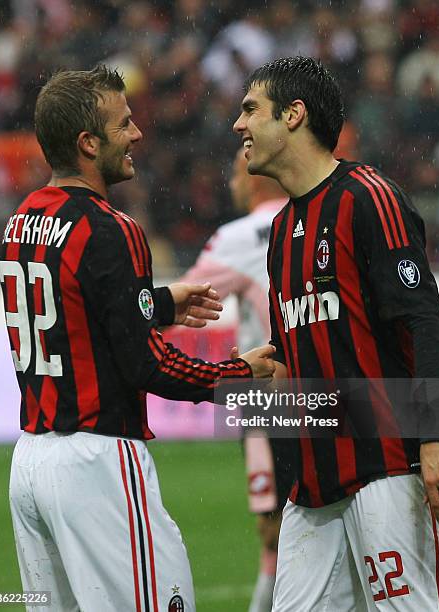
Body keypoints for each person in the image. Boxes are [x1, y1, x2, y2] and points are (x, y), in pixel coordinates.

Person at [0, 65, 276, 612]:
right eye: (123, 124)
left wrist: (162, 301)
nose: (137, 134)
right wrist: (240, 373)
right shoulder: (111, 229)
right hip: (97, 463)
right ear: (87, 142)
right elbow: (151, 367)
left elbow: (86, 314)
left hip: (29, 462)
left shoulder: (20, 219)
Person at [233, 56, 439, 611]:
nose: (239, 125)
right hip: (313, 488)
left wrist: (437, 439)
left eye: (250, 109)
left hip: (388, 467)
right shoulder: (283, 231)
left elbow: (423, 320)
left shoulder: (367, 197)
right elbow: (294, 362)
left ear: (293, 115)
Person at [181, 147, 289, 612]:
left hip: (268, 395)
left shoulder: (240, 236)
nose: (231, 183)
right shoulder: (316, 217)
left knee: (274, 528)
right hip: (329, 391)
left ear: (254, 179)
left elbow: (180, 304)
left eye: (234, 174)